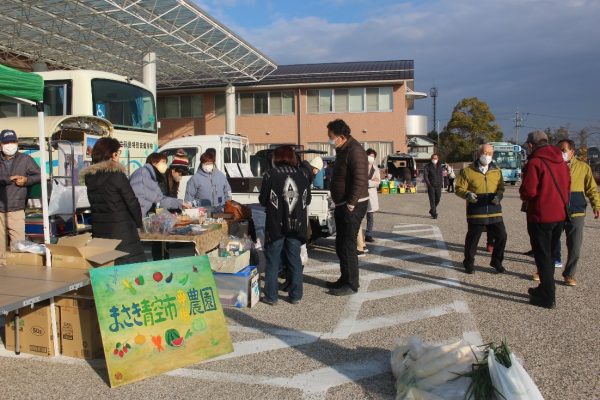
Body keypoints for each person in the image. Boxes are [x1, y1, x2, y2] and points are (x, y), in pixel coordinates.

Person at [520, 130, 570, 309]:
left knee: (542, 256)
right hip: (560, 215)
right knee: (550, 253)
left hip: (541, 215)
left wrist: (523, 193)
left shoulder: (535, 162)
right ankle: (543, 288)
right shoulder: (562, 161)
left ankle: (548, 297)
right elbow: (568, 186)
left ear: (532, 145)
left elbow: (529, 191)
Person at [259, 145, 311, 305]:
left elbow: (263, 200)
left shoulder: (270, 174)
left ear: (277, 157)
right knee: (294, 259)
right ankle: (296, 296)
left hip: (276, 224)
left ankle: (271, 296)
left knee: (273, 261)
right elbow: (307, 200)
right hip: (296, 224)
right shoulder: (302, 174)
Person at [81, 137, 146, 265]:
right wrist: (139, 223)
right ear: (113, 154)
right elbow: (132, 202)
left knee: (109, 269)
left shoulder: (90, 177)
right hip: (123, 232)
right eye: (118, 152)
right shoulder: (117, 174)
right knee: (131, 272)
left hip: (100, 231)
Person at [324, 119, 369, 296]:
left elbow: (359, 179)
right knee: (340, 244)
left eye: (331, 137)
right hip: (342, 204)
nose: (330, 140)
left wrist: (351, 203)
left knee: (348, 244)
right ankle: (344, 278)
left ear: (341, 137)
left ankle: (351, 284)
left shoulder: (355, 151)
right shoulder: (343, 149)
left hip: (353, 205)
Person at [551, 139, 600, 286]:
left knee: (575, 246)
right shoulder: (552, 166)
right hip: (555, 211)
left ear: (572, 151)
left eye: (564, 150)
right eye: (558, 150)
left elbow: (591, 188)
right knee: (549, 243)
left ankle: (569, 274)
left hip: (576, 211)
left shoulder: (583, 167)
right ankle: (544, 271)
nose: (561, 153)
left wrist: (596, 205)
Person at [455, 143, 507, 274]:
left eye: (490, 153)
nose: (487, 156)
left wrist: (499, 195)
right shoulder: (467, 171)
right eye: (485, 153)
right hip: (476, 211)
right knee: (473, 239)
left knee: (502, 236)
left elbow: (501, 187)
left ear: (493, 155)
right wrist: (467, 194)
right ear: (479, 153)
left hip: (494, 210)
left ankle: (496, 261)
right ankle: (469, 263)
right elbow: (458, 188)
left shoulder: (497, 170)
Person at [0, 129, 41, 266]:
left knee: (18, 246)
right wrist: (7, 179)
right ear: (0, 144)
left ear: (17, 143)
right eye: (6, 142)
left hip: (16, 209)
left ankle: (17, 272)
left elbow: (40, 175)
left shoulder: (25, 159)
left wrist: (26, 180)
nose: (9, 145)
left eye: (12, 141)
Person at [365, 148, 380, 242]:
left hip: (371, 194)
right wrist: (371, 181)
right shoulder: (361, 166)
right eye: (369, 155)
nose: (371, 158)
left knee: (370, 216)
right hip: (361, 194)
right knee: (359, 216)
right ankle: (357, 235)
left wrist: (367, 182)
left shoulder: (376, 169)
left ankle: (368, 234)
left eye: (373, 156)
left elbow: (378, 182)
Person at [423, 153, 443, 219]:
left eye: (436, 158)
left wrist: (441, 183)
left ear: (438, 159)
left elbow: (441, 175)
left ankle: (431, 210)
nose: (434, 159)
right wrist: (429, 184)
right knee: (432, 200)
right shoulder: (427, 166)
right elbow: (425, 176)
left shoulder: (440, 166)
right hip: (431, 186)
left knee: (438, 199)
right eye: (433, 158)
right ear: (431, 159)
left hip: (438, 185)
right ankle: (434, 213)